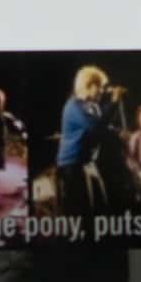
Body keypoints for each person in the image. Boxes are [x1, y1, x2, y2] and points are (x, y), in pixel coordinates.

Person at [54, 65, 128, 222]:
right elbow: (95, 127)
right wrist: (114, 102)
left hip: (87, 164)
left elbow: (102, 125)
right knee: (83, 213)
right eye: (99, 87)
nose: (102, 91)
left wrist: (117, 132)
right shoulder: (73, 106)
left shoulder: (91, 107)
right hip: (73, 165)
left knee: (99, 208)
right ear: (88, 85)